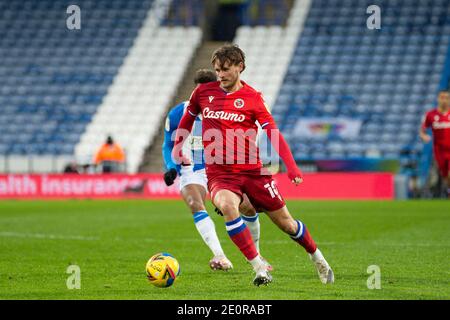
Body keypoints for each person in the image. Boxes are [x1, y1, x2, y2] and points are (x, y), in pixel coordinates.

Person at [172, 44, 334, 286]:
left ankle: (318, 258)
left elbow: (274, 133)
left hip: (253, 171)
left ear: (240, 67)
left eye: (225, 69)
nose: (220, 75)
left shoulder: (253, 98)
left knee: (286, 223)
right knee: (228, 206)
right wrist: (177, 147)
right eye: (217, 70)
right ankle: (259, 267)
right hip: (220, 173)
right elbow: (187, 118)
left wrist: (292, 167)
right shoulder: (203, 93)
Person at [163, 69, 271, 271]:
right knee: (195, 203)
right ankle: (220, 256)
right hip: (192, 171)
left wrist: (223, 189)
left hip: (222, 170)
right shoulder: (178, 113)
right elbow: (168, 145)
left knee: (248, 207)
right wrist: (171, 167)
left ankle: (256, 254)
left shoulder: (227, 111)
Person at [420, 89, 450, 198]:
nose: (444, 100)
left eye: (447, 98)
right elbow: (422, 130)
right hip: (439, 151)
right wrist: (424, 136)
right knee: (445, 175)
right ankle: (448, 189)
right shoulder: (430, 115)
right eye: (442, 97)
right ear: (438, 99)